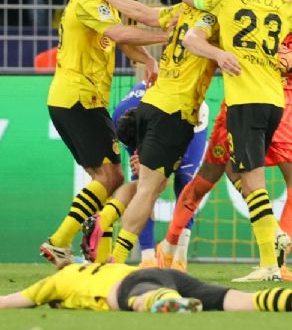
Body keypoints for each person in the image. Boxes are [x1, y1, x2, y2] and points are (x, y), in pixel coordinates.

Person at [158, 0, 292, 282]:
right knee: (210, 176)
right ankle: (172, 243)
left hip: (280, 99)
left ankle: (276, 260)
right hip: (251, 98)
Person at [84, 0, 227, 265]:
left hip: (150, 101)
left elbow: (144, 14)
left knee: (150, 184)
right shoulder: (220, 18)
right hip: (175, 110)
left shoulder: (185, 9)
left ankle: (107, 223)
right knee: (150, 189)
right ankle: (118, 257)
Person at [41, 0, 167, 268]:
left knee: (105, 181)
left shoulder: (99, 2)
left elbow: (119, 39)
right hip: (80, 99)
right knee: (112, 179)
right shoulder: (89, 2)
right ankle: (59, 241)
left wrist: (148, 60)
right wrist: (171, 37)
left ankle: (97, 258)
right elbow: (122, 34)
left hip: (77, 98)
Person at [82, 79, 209, 268]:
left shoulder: (169, 120)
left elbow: (163, 176)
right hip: (155, 113)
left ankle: (178, 258)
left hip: (189, 117)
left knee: (182, 182)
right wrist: (141, 161)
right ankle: (147, 258)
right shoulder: (121, 119)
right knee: (144, 184)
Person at [0, 262, 292, 313]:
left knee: (134, 300)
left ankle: (167, 306)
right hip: (162, 272)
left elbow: (4, 301)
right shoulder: (105, 260)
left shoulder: (56, 281)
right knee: (240, 301)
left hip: (137, 284)